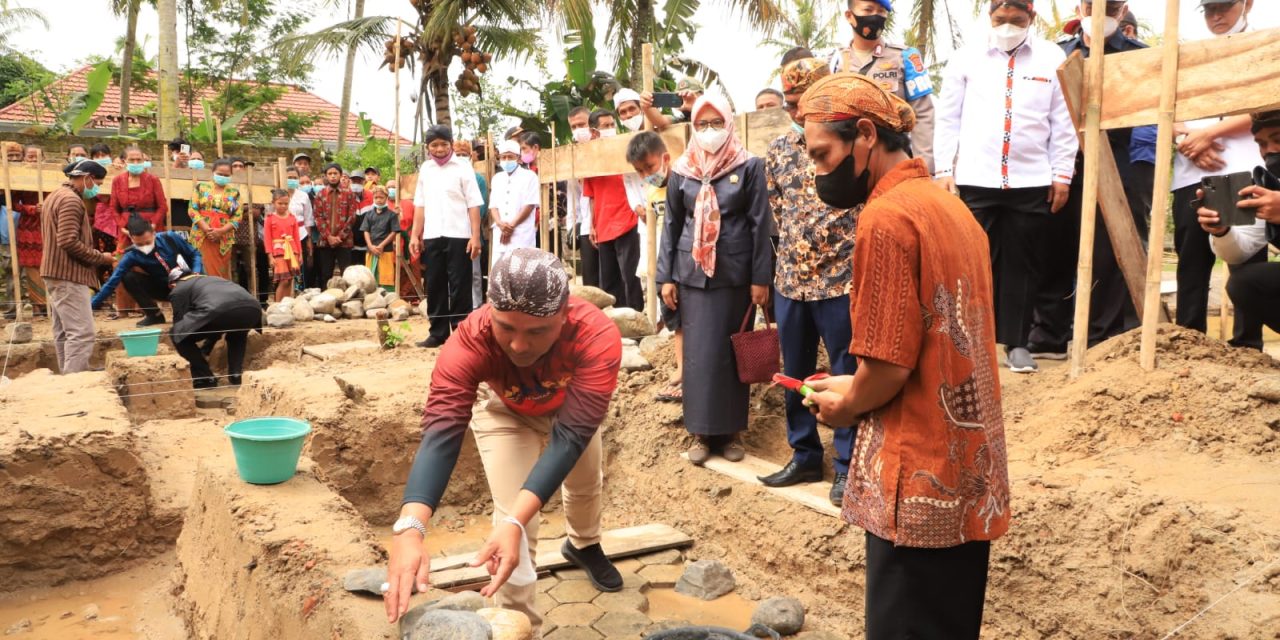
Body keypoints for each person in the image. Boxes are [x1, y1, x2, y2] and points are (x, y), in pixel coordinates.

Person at [799, 71, 1010, 640]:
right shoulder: (952, 209)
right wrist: (854, 383)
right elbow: (934, 342)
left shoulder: (887, 218)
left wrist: (846, 405)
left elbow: (889, 367)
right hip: (967, 474)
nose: (818, 172)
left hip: (914, 479)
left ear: (866, 135)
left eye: (822, 155)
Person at [385, 249, 624, 635]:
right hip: (504, 411)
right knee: (514, 520)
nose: (518, 345)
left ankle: (583, 545)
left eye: (537, 332)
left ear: (565, 314)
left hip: (571, 411)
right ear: (490, 310)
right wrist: (411, 528)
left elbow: (570, 437)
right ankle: (518, 622)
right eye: (506, 328)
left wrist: (516, 519)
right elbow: (443, 428)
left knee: (584, 484)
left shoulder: (595, 334)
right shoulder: (471, 339)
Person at [933, 0, 1078, 373]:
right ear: (990, 17)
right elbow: (947, 118)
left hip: (1031, 178)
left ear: (1031, 18)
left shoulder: (1051, 58)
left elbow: (1063, 121)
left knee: (1023, 263)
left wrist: (1062, 174)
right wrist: (943, 169)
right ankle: (969, 341)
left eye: (1017, 20)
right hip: (975, 177)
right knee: (970, 260)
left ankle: (1017, 344)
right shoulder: (965, 59)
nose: (1008, 26)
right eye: (1000, 19)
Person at [1028, 0, 1155, 356]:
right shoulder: (1058, 55)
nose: (1100, 12)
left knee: (1108, 253)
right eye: (1092, 4)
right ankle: (1048, 334)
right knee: (1053, 245)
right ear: (1079, 8)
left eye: (1110, 6)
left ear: (1122, 10)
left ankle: (1102, 338)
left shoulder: (1139, 55)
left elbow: (1149, 118)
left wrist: (1136, 173)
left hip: (1119, 161)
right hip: (1063, 162)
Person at [761, 52, 859, 505]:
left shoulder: (849, 143)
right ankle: (803, 455)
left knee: (845, 371)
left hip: (841, 278)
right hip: (792, 281)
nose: (797, 110)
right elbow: (778, 212)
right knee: (794, 372)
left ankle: (848, 465)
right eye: (791, 102)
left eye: (805, 100)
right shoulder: (779, 150)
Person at [658, 93, 774, 465]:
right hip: (691, 276)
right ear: (693, 127)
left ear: (728, 122)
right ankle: (700, 432)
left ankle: (732, 432)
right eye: (702, 124)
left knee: (730, 355)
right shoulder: (682, 169)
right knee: (698, 357)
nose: (709, 131)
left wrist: (761, 278)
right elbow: (671, 225)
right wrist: (665, 277)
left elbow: (760, 225)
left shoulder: (749, 165)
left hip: (735, 276)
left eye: (716, 123)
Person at [1170, 0, 1266, 349]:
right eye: (1209, 9)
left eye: (1224, 6)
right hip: (1190, 171)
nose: (1216, 16)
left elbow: (1265, 107)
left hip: (1238, 167)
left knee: (1245, 259)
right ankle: (1189, 343)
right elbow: (1165, 108)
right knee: (1191, 262)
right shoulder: (1186, 54)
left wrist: (1209, 134)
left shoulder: (1264, 47)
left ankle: (1248, 346)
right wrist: (1186, 140)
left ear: (1247, 4)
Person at [1197, 110, 1280, 344]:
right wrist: (1222, 231)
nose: (1270, 150)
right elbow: (1238, 253)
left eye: (1277, 139)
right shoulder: (1268, 186)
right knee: (1245, 282)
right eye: (1261, 144)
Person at [829, 0, 937, 172]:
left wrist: (925, 169)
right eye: (868, 10)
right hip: (849, 166)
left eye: (881, 11)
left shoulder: (906, 58)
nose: (875, 16)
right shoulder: (834, 63)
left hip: (894, 163)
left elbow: (923, 115)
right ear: (849, 16)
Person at [410, 126, 484, 348]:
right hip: (433, 235)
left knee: (460, 285)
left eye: (444, 144)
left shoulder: (463, 167)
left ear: (451, 144)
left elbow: (473, 204)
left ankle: (461, 333)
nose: (440, 149)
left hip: (459, 235)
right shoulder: (426, 169)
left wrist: (475, 236)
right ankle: (437, 333)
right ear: (428, 147)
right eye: (434, 145)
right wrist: (415, 235)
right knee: (434, 284)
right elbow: (420, 205)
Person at [627, 132, 686, 405]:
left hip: (685, 262)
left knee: (689, 318)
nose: (646, 175)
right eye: (640, 171)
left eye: (649, 167)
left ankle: (688, 371)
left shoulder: (683, 183)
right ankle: (682, 368)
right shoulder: (652, 192)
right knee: (676, 319)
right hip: (665, 262)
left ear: (665, 158)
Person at [42, 160, 114, 374]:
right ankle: (75, 380)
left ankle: (69, 375)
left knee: (64, 331)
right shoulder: (71, 201)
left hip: (55, 271)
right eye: (97, 183)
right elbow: (67, 241)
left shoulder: (55, 195)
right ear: (87, 178)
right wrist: (101, 257)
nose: (97, 189)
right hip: (68, 273)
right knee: (82, 333)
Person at [583, 109, 647, 311]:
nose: (611, 128)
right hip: (604, 224)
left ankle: (636, 316)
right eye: (606, 126)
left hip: (627, 220)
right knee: (609, 279)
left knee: (631, 275)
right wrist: (592, 225)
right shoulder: (588, 158)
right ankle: (617, 320)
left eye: (612, 124)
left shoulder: (624, 148)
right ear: (594, 131)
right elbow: (591, 195)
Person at [91, 218, 203, 325]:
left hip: (189, 284)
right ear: (132, 239)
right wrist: (91, 305)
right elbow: (112, 282)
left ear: (154, 233)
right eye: (139, 244)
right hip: (164, 289)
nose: (145, 247)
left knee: (184, 323)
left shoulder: (170, 237)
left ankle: (191, 307)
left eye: (148, 242)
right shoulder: (131, 256)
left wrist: (196, 273)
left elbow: (195, 254)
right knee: (128, 277)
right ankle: (154, 315)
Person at [168, 269, 263, 389]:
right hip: (253, 309)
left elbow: (180, 326)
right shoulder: (214, 279)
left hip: (218, 311)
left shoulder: (178, 289)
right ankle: (236, 375)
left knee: (176, 334)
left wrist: (195, 353)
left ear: (172, 284)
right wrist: (206, 349)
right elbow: (216, 326)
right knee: (237, 335)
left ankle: (204, 378)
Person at [190, 159, 243, 280]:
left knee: (220, 271)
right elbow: (192, 209)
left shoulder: (234, 193)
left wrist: (221, 231)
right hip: (201, 234)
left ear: (231, 175)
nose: (223, 177)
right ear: (213, 172)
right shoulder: (201, 188)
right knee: (201, 268)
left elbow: (237, 216)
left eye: (226, 175)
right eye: (220, 174)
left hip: (223, 237)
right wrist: (206, 229)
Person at [488, 140, 540, 263]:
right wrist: (500, 224)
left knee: (521, 268)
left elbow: (530, 205)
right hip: (500, 232)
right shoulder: (497, 178)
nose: (506, 160)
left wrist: (511, 226)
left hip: (521, 234)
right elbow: (493, 206)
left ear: (518, 158)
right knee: (499, 269)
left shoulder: (530, 176)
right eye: (503, 157)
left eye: (510, 157)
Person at [566, 106, 600, 288]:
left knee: (612, 281)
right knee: (590, 283)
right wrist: (572, 226)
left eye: (582, 124)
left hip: (609, 224)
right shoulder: (572, 158)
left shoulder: (607, 149)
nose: (578, 130)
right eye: (573, 127)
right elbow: (574, 197)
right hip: (586, 227)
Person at [454, 140, 490, 308]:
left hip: (471, 232)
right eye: (458, 155)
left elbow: (480, 208)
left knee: (474, 272)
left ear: (470, 157)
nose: (461, 158)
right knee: (454, 271)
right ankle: (456, 304)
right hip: (452, 231)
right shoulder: (448, 178)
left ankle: (475, 305)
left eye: (464, 155)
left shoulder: (478, 179)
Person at [313, 162, 359, 283]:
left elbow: (352, 217)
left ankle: (348, 295)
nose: (333, 176)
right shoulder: (320, 194)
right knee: (326, 274)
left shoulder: (349, 194)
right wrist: (328, 236)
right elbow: (318, 217)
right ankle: (326, 294)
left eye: (335, 173)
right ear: (326, 176)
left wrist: (340, 237)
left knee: (347, 274)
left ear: (340, 175)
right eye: (330, 173)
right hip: (325, 242)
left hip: (344, 242)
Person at [111, 145, 169, 236]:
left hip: (151, 228)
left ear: (143, 161)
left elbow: (162, 206)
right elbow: (113, 208)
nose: (135, 163)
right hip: (126, 228)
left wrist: (153, 224)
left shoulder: (153, 180)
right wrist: (121, 226)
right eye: (131, 160)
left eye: (139, 160)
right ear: (124, 161)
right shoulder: (117, 181)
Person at [259, 189, 301, 303]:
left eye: (286, 203)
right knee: (284, 280)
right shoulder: (269, 219)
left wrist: (299, 254)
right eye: (280, 203)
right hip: (278, 251)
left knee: (290, 279)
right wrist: (270, 256)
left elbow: (296, 237)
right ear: (273, 203)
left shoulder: (292, 218)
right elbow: (267, 239)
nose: (283, 206)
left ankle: (286, 304)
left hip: (292, 251)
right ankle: (278, 305)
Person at [361, 186, 401, 292]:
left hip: (386, 250)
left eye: (381, 197)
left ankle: (388, 296)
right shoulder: (369, 214)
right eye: (376, 197)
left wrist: (382, 245)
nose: (379, 200)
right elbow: (366, 231)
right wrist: (370, 246)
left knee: (386, 276)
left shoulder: (392, 215)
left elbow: (394, 232)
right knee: (370, 277)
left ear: (386, 198)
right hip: (371, 250)